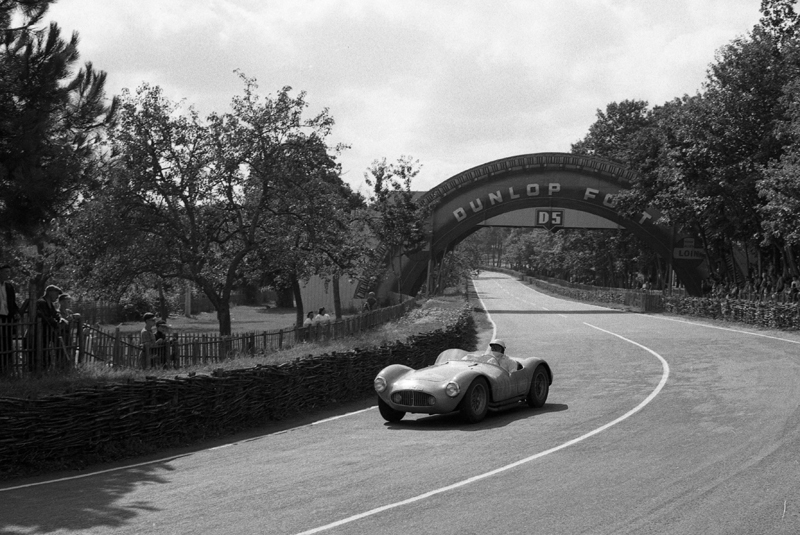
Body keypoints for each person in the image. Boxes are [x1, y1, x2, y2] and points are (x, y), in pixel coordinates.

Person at [0, 264, 19, 375]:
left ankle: (7, 368)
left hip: (6, 317)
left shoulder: (9, 286)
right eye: (6, 272)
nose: (8, 274)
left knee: (7, 342)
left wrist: (16, 312)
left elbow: (12, 303)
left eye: (8, 272)